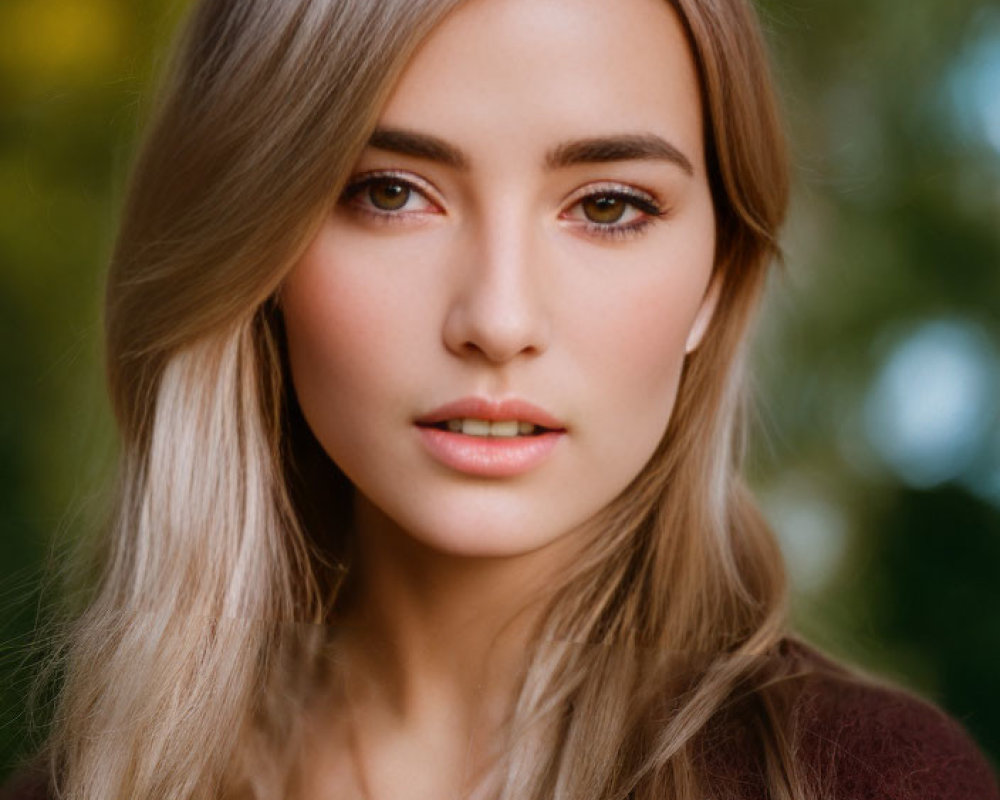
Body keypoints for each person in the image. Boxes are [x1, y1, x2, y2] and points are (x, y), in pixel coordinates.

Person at [3, 0, 998, 798]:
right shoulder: (92, 784)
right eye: (388, 191)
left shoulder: (870, 781)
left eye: (608, 205)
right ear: (254, 249)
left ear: (717, 282)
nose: (498, 316)